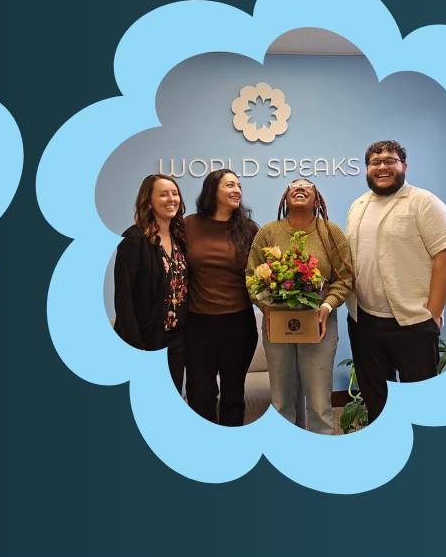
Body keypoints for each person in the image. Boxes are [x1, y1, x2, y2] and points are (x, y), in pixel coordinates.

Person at [345, 140, 446, 423]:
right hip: (364, 321)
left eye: (390, 161)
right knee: (376, 400)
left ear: (404, 166)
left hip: (412, 322)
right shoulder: (358, 205)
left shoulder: (424, 203)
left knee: (420, 404)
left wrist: (432, 314)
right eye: (375, 162)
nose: (382, 167)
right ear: (367, 169)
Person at [248, 178, 354, 434]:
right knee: (281, 401)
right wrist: (266, 308)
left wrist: (327, 306)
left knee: (319, 403)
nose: (300, 188)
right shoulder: (268, 232)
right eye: (294, 185)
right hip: (277, 324)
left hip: (319, 325)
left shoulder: (330, 232)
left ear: (317, 199)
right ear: (285, 197)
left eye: (307, 186)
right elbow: (251, 275)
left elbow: (345, 278)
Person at [183, 169, 259, 426]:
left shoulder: (248, 229)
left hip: (238, 324)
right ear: (212, 190)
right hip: (198, 325)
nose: (237, 190)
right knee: (200, 395)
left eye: (239, 185)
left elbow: (261, 272)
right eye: (230, 185)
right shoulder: (188, 225)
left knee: (233, 396)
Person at [113, 174, 188, 389]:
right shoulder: (133, 239)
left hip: (176, 340)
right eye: (163, 195)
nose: (171, 199)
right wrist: (136, 347)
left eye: (175, 193)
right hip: (145, 340)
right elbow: (124, 297)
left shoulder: (180, 237)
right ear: (148, 202)